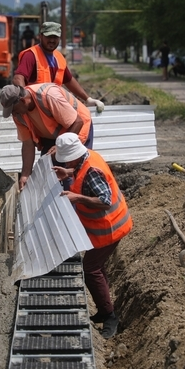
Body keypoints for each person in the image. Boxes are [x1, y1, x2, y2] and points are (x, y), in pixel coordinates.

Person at [52, 132, 133, 339]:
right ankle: (105, 308)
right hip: (110, 224)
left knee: (91, 269)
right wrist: (69, 173)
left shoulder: (92, 171)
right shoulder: (88, 156)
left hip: (110, 227)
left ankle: (110, 317)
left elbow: (104, 200)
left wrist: (77, 197)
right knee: (96, 267)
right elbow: (82, 172)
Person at [0, 84, 92, 191]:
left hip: (76, 128)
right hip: (52, 137)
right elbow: (28, 144)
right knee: (48, 173)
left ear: (23, 100)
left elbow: (77, 122)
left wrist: (58, 147)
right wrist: (25, 174)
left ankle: (76, 204)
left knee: (72, 176)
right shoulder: (18, 114)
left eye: (13, 110)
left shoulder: (49, 96)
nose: (13, 113)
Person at [13, 21, 105, 114]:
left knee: (83, 117)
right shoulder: (31, 55)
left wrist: (87, 99)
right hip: (36, 111)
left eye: (55, 37)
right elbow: (18, 78)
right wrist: (24, 98)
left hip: (53, 108)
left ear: (59, 38)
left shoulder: (59, 57)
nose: (52, 40)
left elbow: (69, 80)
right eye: (49, 36)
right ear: (40, 36)